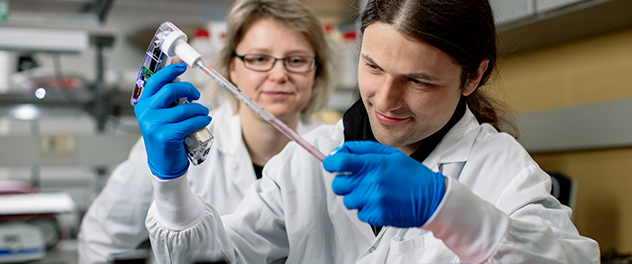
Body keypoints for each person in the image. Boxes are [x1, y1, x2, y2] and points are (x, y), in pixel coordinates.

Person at [140, 0, 601, 263]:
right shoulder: (305, 159)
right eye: (372, 66)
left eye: (419, 80)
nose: (384, 98)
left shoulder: (501, 168)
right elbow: (218, 258)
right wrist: (171, 187)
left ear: (473, 76)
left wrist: (448, 209)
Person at [77, 0, 334, 262]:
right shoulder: (175, 141)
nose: (279, 74)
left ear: (317, 71)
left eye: (297, 60)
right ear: (232, 68)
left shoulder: (332, 155)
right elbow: (101, 236)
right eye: (259, 58)